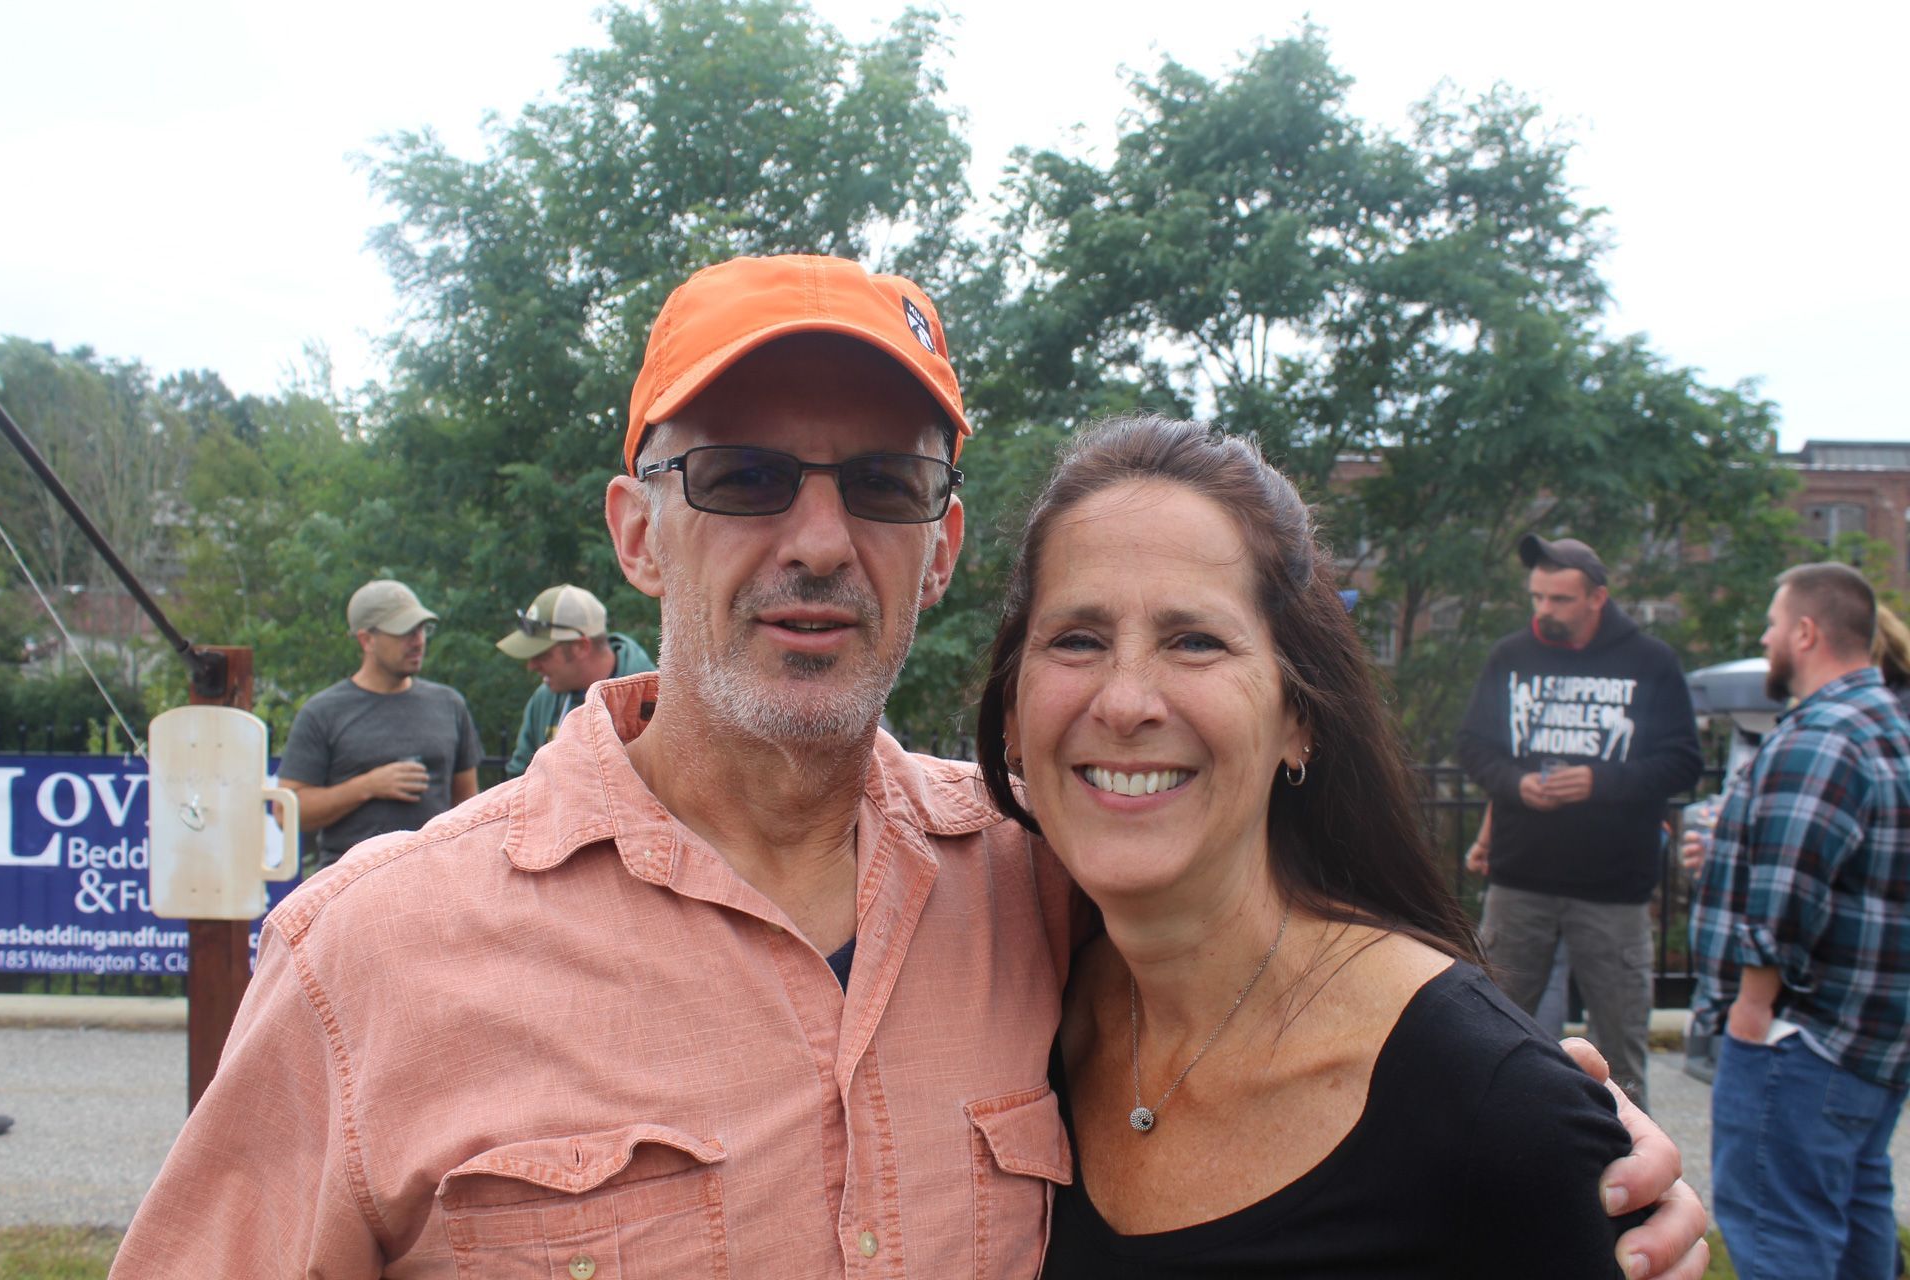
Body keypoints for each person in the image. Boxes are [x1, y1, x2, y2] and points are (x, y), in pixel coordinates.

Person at [111, 255, 1704, 1278]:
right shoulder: (376, 955)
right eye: (740, 475)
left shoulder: (1040, 887)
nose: (817, 539)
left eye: (880, 482)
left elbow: (1302, 1023)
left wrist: (1556, 1139)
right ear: (636, 524)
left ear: (936, 550)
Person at [976, 416, 1686, 1277]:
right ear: (1014, 717)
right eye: (1077, 640)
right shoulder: (1018, 996)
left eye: (1195, 640)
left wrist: (1548, 1121)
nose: (1126, 702)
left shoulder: (1489, 1103)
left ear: (1299, 720)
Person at [1691, 562, 1910, 1279]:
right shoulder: (1888, 725)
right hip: (1870, 1036)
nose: (1767, 638)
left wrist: (1753, 1007)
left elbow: (1791, 887)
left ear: (1806, 632)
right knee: (1854, 1219)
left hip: (1796, 1038)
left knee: (1776, 1229)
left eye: (1773, 625)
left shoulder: (1818, 735)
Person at [1456, 534, 1703, 1111]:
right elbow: (1472, 746)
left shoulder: (1650, 663)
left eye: (1560, 599)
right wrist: (1515, 783)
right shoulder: (1510, 656)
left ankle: (1630, 1167)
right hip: (1519, 884)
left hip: (1613, 893)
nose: (1544, 611)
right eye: (1537, 598)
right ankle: (1492, 1148)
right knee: (1488, 1031)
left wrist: (1600, 782)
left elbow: (1685, 762)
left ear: (1597, 597)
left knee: (1619, 1048)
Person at [276, 579, 483, 865]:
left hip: (433, 885)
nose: (419, 641)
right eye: (405, 632)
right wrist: (368, 786)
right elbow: (285, 812)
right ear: (366, 640)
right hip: (350, 886)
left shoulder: (449, 705)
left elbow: (468, 808)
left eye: (422, 629)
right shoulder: (323, 712)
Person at [496, 582, 654, 776]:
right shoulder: (544, 698)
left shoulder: (651, 702)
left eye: (542, 655)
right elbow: (518, 780)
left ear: (581, 647)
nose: (531, 665)